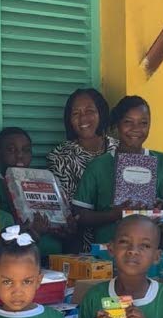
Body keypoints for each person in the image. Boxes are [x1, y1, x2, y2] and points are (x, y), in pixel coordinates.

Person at [73, 95, 163, 245]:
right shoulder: (98, 166)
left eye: (143, 123)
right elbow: (79, 215)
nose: (136, 129)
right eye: (128, 122)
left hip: (153, 249)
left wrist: (162, 207)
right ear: (117, 125)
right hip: (109, 250)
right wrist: (115, 214)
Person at [47, 88, 120, 252]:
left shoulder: (119, 149)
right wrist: (113, 213)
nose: (83, 118)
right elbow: (70, 211)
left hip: (123, 239)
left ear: (101, 113)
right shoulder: (60, 156)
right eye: (75, 113)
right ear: (69, 120)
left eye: (90, 111)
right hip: (83, 245)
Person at [0, 126, 67, 258]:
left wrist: (64, 227)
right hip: (19, 262)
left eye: (26, 150)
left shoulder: (44, 181)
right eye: (11, 150)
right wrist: (31, 231)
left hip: (55, 257)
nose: (20, 155)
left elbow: (60, 220)